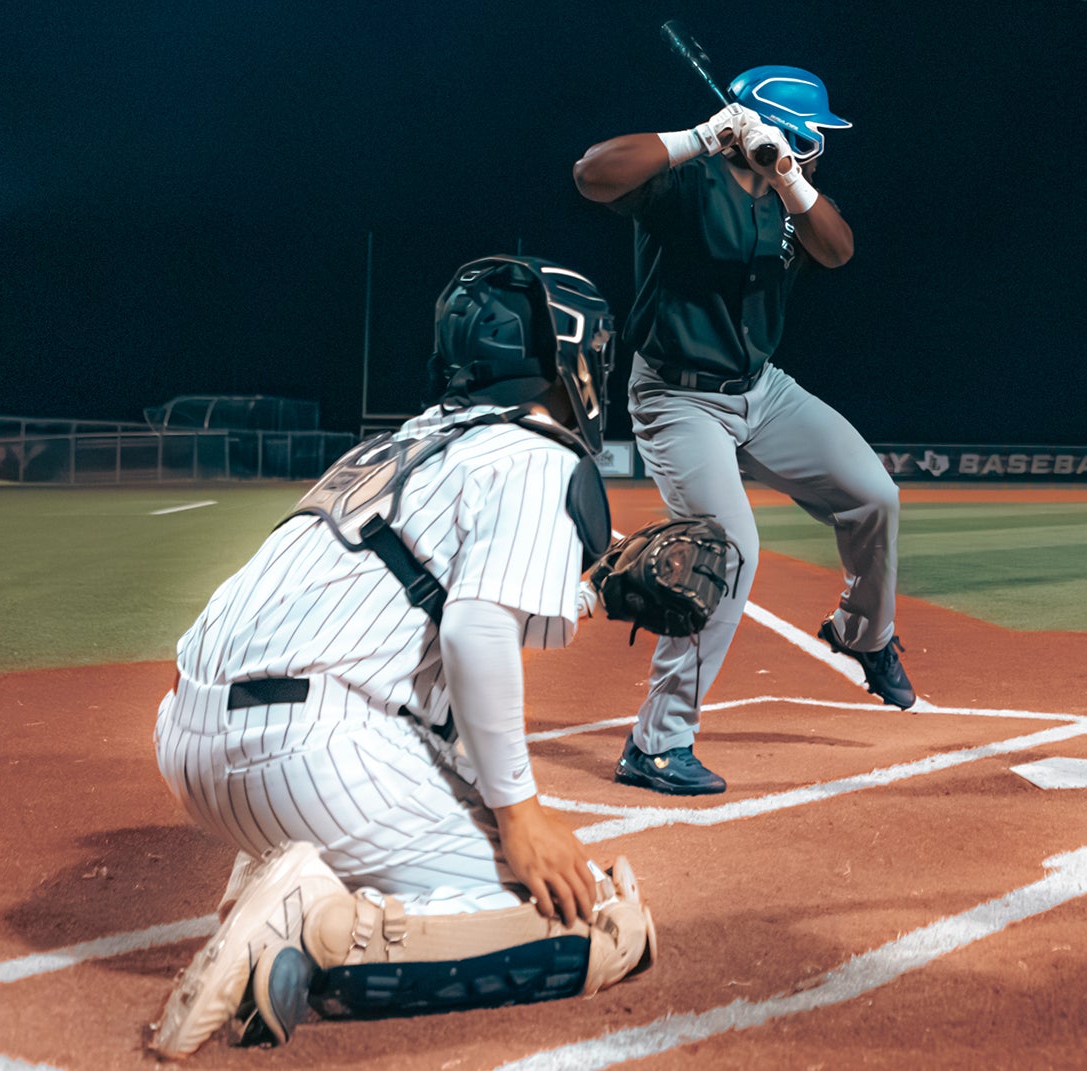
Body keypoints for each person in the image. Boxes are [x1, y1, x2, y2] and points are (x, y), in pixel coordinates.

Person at [146, 257, 653, 1060]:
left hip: (190, 740)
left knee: (438, 730)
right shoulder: (540, 452)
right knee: (602, 925)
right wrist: (518, 815)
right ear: (566, 363)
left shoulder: (400, 444)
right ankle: (313, 920)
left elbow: (423, 604)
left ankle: (276, 872)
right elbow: (474, 630)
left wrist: (589, 592)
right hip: (309, 753)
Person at [571, 65, 914, 799]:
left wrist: (788, 173)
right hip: (677, 396)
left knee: (874, 496)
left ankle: (864, 633)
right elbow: (592, 174)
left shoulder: (791, 195)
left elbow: (839, 249)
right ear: (785, 125)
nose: (821, 149)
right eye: (813, 137)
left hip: (762, 388)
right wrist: (701, 136)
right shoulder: (686, 185)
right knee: (728, 552)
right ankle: (657, 744)